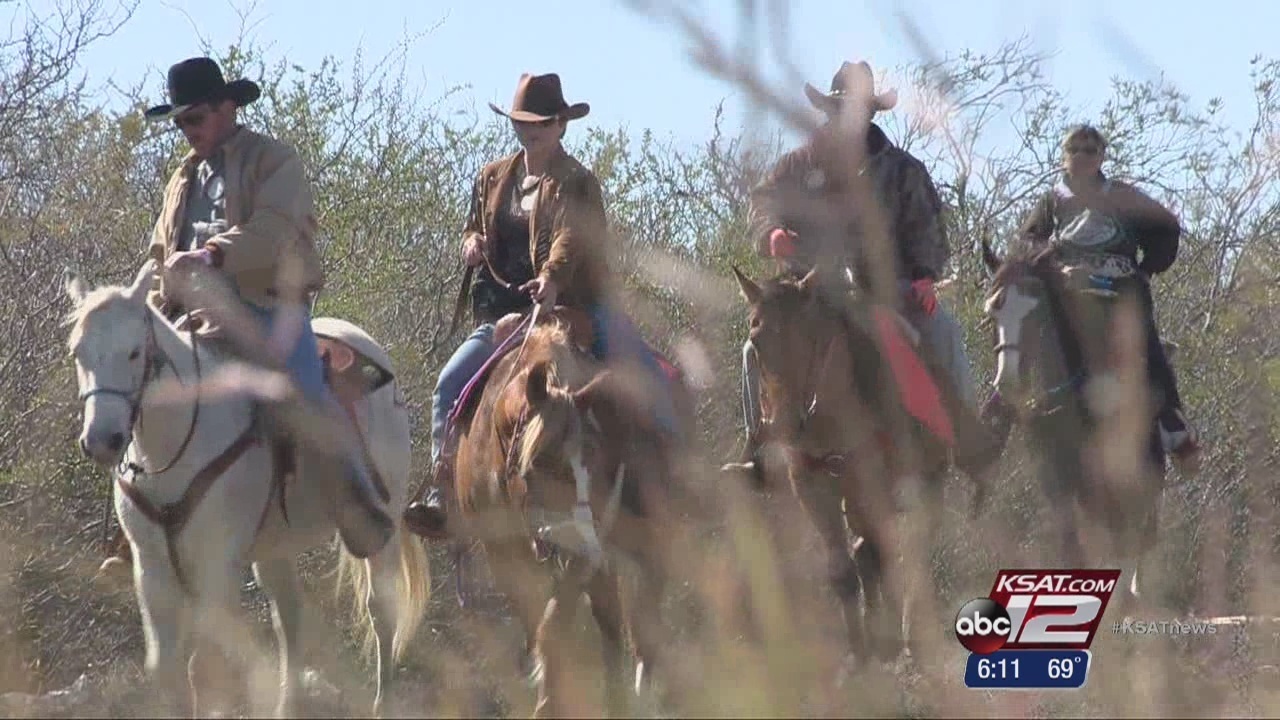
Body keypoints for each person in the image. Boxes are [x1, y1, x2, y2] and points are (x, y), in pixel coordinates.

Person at [100, 57, 393, 576]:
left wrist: (213, 254)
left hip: (268, 310)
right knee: (132, 388)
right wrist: (143, 299)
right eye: (181, 123)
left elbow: (277, 228)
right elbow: (158, 251)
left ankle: (359, 505)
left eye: (195, 119)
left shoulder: (274, 160)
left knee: (307, 393)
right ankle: (134, 531)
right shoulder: (181, 179)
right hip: (191, 316)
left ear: (227, 107)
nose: (187, 132)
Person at [402, 73, 678, 541]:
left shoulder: (578, 182)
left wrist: (551, 281)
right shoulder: (493, 176)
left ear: (560, 126)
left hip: (573, 304)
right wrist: (469, 242)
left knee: (646, 373)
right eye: (522, 121)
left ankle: (673, 485)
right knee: (449, 384)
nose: (530, 130)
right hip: (503, 315)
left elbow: (571, 238)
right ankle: (443, 491)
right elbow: (472, 225)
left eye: (541, 123)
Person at [720, 60, 1002, 484]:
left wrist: (925, 275)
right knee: (752, 348)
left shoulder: (904, 171)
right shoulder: (799, 165)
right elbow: (763, 202)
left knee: (944, 332)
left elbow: (928, 230)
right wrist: (772, 231)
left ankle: (968, 445)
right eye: (839, 109)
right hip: (810, 295)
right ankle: (760, 452)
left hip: (891, 293)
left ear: (870, 113)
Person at [979, 123, 1201, 468]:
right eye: (1075, 151)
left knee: (1143, 341)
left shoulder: (1121, 195)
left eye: (1090, 151)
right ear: (1064, 157)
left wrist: (1147, 267)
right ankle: (1001, 411)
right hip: (1065, 285)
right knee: (1021, 321)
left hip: (1119, 282)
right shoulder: (1053, 200)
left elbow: (1166, 225)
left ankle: (1173, 425)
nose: (1082, 157)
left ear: (1102, 157)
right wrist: (1048, 256)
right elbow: (1027, 240)